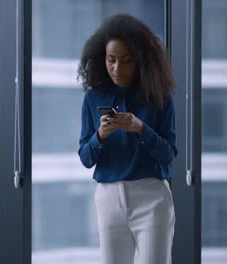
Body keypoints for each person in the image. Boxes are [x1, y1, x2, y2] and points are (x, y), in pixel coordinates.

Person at [77, 13, 177, 264]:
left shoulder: (159, 97)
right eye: (111, 60)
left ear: (140, 61)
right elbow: (85, 158)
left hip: (151, 197)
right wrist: (101, 135)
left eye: (126, 60)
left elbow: (169, 154)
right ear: (103, 59)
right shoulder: (93, 99)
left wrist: (140, 128)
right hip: (109, 197)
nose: (117, 69)